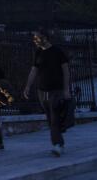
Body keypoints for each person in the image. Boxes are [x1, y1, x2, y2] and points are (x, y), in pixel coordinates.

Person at [24, 28, 70, 157]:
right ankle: (59, 141)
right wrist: (28, 86)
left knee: (54, 116)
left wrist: (66, 90)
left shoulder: (57, 52)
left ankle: (56, 145)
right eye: (34, 38)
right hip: (42, 91)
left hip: (56, 90)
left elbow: (66, 71)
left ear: (45, 38)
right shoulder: (38, 52)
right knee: (50, 118)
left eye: (37, 38)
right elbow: (34, 70)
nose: (35, 40)